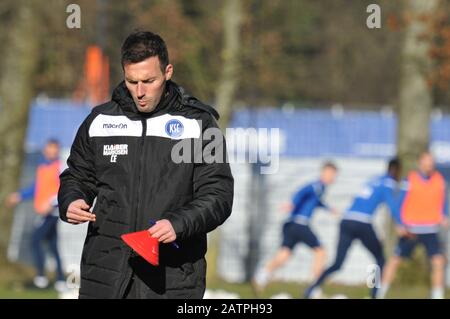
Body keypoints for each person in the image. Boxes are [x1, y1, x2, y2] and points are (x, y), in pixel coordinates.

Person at [58, 31, 234, 299]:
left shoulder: (199, 125)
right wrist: (71, 199)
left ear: (168, 72)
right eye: (132, 81)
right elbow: (77, 175)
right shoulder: (99, 120)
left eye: (149, 81)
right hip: (104, 273)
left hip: (172, 276)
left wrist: (178, 223)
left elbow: (218, 195)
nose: (140, 91)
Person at [304, 158, 402, 299]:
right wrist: (401, 223)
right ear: (396, 171)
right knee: (380, 259)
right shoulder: (389, 183)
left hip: (347, 220)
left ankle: (312, 289)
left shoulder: (373, 180)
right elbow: (392, 206)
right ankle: (374, 294)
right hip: (362, 222)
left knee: (338, 263)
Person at [252, 162, 338, 294]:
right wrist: (292, 203)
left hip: (291, 224)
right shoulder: (316, 186)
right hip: (300, 224)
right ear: (324, 173)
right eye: (331, 174)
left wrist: (329, 208)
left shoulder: (321, 189)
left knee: (284, 255)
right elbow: (301, 192)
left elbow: (316, 201)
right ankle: (314, 289)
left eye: (334, 175)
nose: (333, 177)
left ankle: (261, 275)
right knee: (321, 252)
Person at [377, 152, 448, 299]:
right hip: (411, 230)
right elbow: (398, 204)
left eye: (431, 162)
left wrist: (444, 216)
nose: (429, 165)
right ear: (420, 163)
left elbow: (443, 202)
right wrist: (400, 224)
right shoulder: (409, 180)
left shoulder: (439, 180)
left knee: (438, 262)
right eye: (426, 162)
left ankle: (437, 296)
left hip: (431, 229)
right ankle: (380, 293)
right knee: (394, 261)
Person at [6, 139, 66, 291]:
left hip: (52, 213)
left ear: (57, 151)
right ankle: (60, 280)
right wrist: (19, 196)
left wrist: (51, 203)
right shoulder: (42, 168)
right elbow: (37, 188)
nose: (51, 151)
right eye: (49, 148)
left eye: (54, 149)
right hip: (42, 212)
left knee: (35, 240)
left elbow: (63, 189)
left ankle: (41, 277)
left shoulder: (60, 167)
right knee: (53, 246)